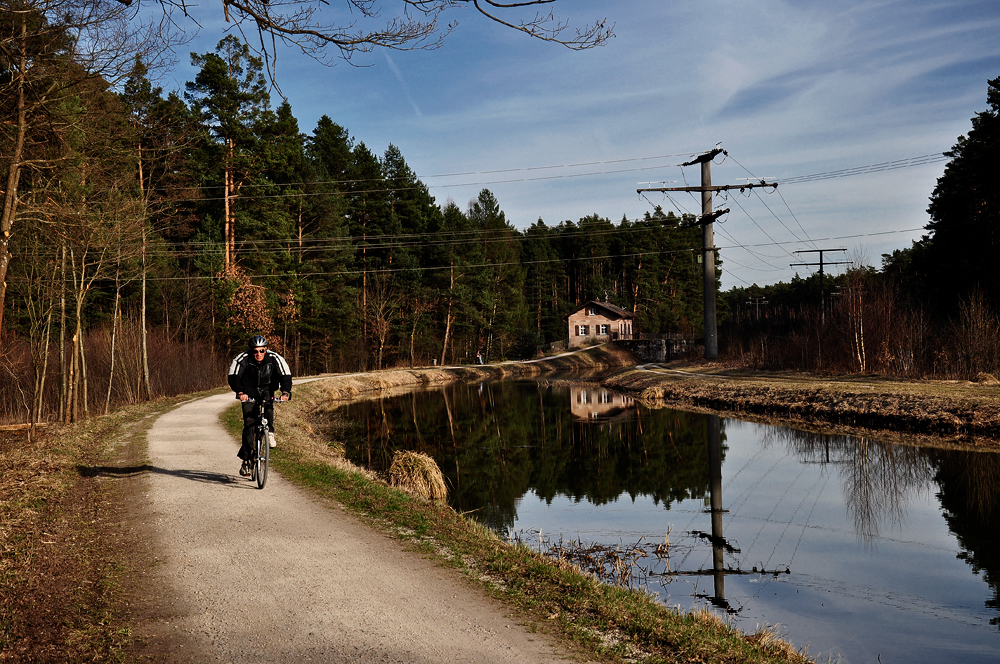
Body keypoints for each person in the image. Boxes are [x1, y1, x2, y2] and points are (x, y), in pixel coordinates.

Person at [228, 335, 292, 477]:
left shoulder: (275, 358)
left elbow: (285, 375)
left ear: (266, 349)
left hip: (267, 390)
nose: (258, 354)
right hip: (248, 392)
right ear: (251, 351)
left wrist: (285, 392)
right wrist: (240, 392)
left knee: (268, 409)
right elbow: (233, 376)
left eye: (262, 351)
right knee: (249, 426)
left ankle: (269, 432)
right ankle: (246, 460)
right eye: (255, 351)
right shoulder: (242, 358)